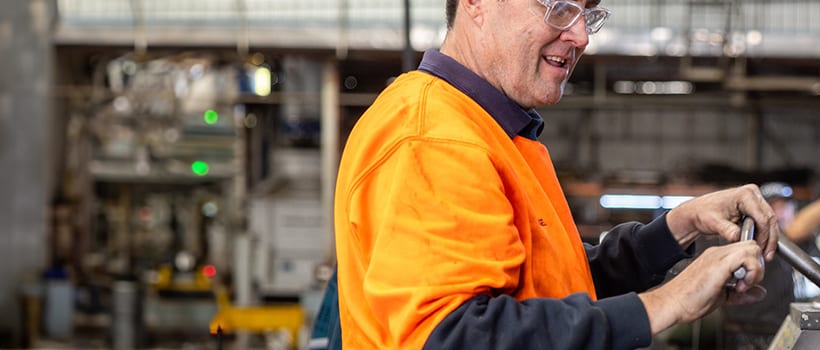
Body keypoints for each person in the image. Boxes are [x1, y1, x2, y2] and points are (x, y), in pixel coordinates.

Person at [331, 0, 776, 348]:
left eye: (587, 14)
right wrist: (667, 303)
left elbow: (553, 287)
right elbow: (455, 337)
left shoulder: (487, 130)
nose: (580, 35)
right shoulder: (433, 139)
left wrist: (678, 227)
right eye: (559, 9)